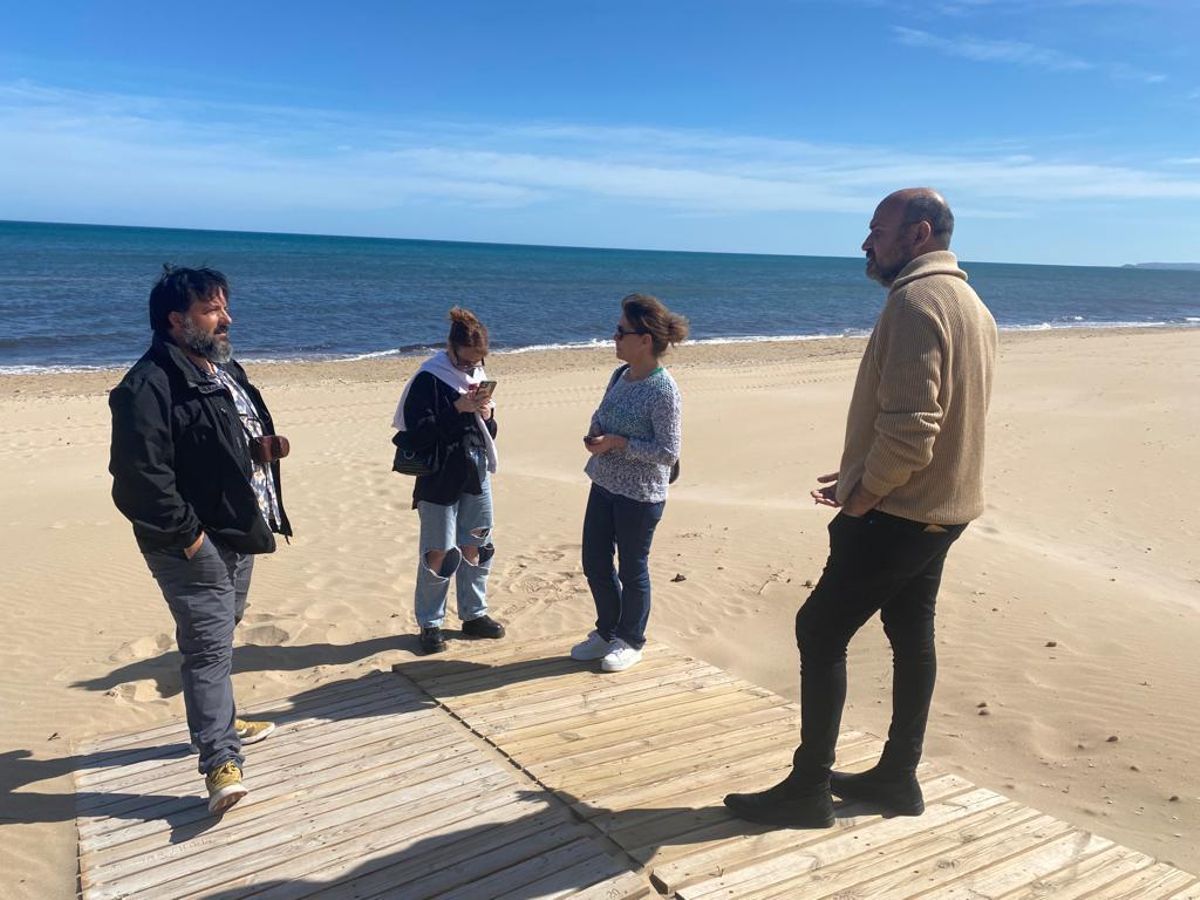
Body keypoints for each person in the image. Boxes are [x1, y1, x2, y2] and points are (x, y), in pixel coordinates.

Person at [724, 188, 998, 828]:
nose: (866, 242)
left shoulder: (916, 300)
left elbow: (913, 429)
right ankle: (898, 777)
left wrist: (866, 494)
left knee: (819, 629)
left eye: (877, 229)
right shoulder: (971, 302)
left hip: (901, 513)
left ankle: (808, 789)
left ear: (917, 233)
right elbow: (937, 419)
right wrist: (857, 472)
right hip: (944, 510)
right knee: (911, 637)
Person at [109, 265, 292, 816]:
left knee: (225, 626)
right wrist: (190, 540)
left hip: (237, 526)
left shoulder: (220, 366)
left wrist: (259, 450)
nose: (227, 317)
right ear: (176, 320)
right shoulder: (145, 387)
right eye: (213, 309)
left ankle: (223, 718)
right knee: (208, 647)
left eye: (223, 306)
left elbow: (218, 437)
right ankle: (219, 761)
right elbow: (139, 481)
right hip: (190, 541)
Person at [571, 294, 687, 673]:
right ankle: (607, 631)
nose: (614, 337)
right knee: (594, 561)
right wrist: (596, 434)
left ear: (645, 340)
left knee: (631, 568)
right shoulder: (619, 375)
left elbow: (669, 452)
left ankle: (631, 639)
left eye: (621, 332)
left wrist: (619, 443)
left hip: (640, 494)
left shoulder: (664, 390)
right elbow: (602, 413)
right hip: (604, 482)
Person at [393, 307, 504, 655]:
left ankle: (474, 614)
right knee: (438, 552)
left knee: (476, 546)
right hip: (438, 476)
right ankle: (430, 623)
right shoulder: (429, 377)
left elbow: (489, 433)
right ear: (450, 348)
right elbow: (418, 434)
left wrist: (486, 415)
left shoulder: (477, 375)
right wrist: (457, 409)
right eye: (467, 361)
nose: (472, 367)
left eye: (478, 361)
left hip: (475, 471)